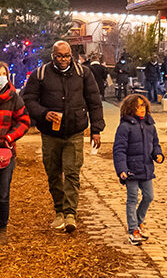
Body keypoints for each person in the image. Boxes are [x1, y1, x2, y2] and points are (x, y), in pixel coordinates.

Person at [23, 40, 105, 233]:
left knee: (72, 173)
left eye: (66, 55)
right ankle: (59, 210)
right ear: (53, 55)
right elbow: (28, 100)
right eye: (59, 56)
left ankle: (70, 214)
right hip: (50, 134)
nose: (63, 59)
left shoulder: (83, 74)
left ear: (72, 55)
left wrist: (96, 129)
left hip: (75, 132)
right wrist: (43, 113)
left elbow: (94, 101)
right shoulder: (40, 75)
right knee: (53, 174)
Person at [113, 94, 164, 246]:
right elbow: (119, 150)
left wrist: (158, 154)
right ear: (130, 108)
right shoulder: (124, 127)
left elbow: (155, 144)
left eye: (143, 106)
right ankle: (133, 229)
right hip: (131, 170)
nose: (141, 109)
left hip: (146, 168)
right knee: (132, 199)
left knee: (149, 196)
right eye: (138, 107)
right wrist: (122, 169)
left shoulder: (150, 125)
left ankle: (138, 221)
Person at [0, 62, 30, 231]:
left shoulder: (14, 98)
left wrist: (10, 137)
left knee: (3, 192)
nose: (0, 78)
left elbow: (24, 121)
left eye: (3, 74)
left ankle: (2, 225)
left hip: (6, 151)